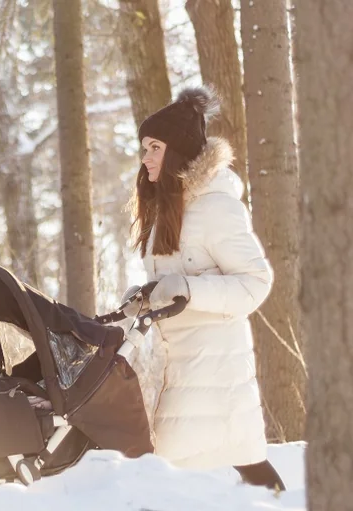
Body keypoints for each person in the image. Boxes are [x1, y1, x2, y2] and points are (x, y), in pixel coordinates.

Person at [121, 85, 285, 491]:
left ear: (176, 150)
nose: (145, 158)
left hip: (216, 375)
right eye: (143, 147)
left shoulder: (216, 206)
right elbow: (172, 285)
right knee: (178, 477)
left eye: (154, 147)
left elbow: (255, 283)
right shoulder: (167, 210)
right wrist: (143, 297)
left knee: (190, 476)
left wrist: (189, 290)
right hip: (177, 370)